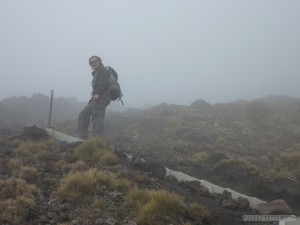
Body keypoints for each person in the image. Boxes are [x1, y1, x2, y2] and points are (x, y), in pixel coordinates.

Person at [78, 56, 111, 139]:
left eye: (95, 61)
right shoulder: (97, 72)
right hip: (96, 97)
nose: (93, 63)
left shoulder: (103, 70)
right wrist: (91, 99)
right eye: (91, 63)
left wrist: (97, 94)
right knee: (84, 114)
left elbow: (102, 84)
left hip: (102, 96)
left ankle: (97, 140)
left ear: (99, 61)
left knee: (97, 117)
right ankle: (82, 138)